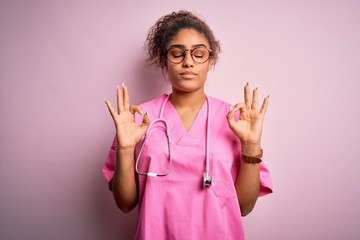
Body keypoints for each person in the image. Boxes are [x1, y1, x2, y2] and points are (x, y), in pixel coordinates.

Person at [103, 10, 272, 240]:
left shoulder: (234, 121)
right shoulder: (138, 120)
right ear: (165, 59)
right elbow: (125, 204)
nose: (188, 61)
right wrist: (124, 149)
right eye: (177, 53)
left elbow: (243, 207)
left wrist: (251, 145)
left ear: (210, 60)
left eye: (199, 53)